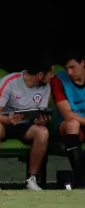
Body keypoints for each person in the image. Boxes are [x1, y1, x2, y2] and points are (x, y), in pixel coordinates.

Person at [0, 62, 55, 190]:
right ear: (40, 75)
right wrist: (7, 119)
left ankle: (31, 180)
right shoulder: (10, 81)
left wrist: (40, 121)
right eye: (50, 73)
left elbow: (40, 112)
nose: (52, 76)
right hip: (4, 122)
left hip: (26, 125)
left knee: (43, 132)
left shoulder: (46, 86)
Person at [51, 51, 85, 189]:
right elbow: (67, 114)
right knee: (73, 124)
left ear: (83, 63)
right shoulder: (58, 80)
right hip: (66, 125)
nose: (69, 72)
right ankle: (80, 180)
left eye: (73, 67)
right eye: (66, 68)